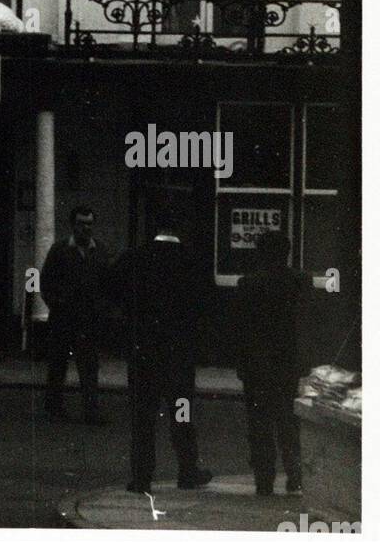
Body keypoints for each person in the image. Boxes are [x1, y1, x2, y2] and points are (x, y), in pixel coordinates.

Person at [111, 220, 213, 493]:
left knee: (143, 417)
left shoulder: (134, 258)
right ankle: (187, 470)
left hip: (143, 350)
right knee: (181, 412)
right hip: (179, 354)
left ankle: (141, 477)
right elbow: (206, 306)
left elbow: (111, 291)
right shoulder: (192, 261)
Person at [234, 231, 314, 497]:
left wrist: (242, 365)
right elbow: (306, 324)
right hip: (289, 364)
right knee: (289, 425)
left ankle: (264, 481)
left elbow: (241, 329)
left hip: (258, 366)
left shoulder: (248, 283)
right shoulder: (301, 281)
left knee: (259, 427)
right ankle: (295, 477)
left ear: (260, 253)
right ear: (287, 252)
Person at [40, 206, 108, 424]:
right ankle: (54, 408)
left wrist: (101, 308)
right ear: (73, 225)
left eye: (89, 223)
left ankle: (91, 411)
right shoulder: (59, 250)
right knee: (58, 365)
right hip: (63, 319)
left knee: (89, 368)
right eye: (81, 223)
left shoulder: (100, 251)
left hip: (89, 320)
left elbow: (108, 283)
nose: (86, 228)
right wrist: (57, 305)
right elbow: (45, 283)